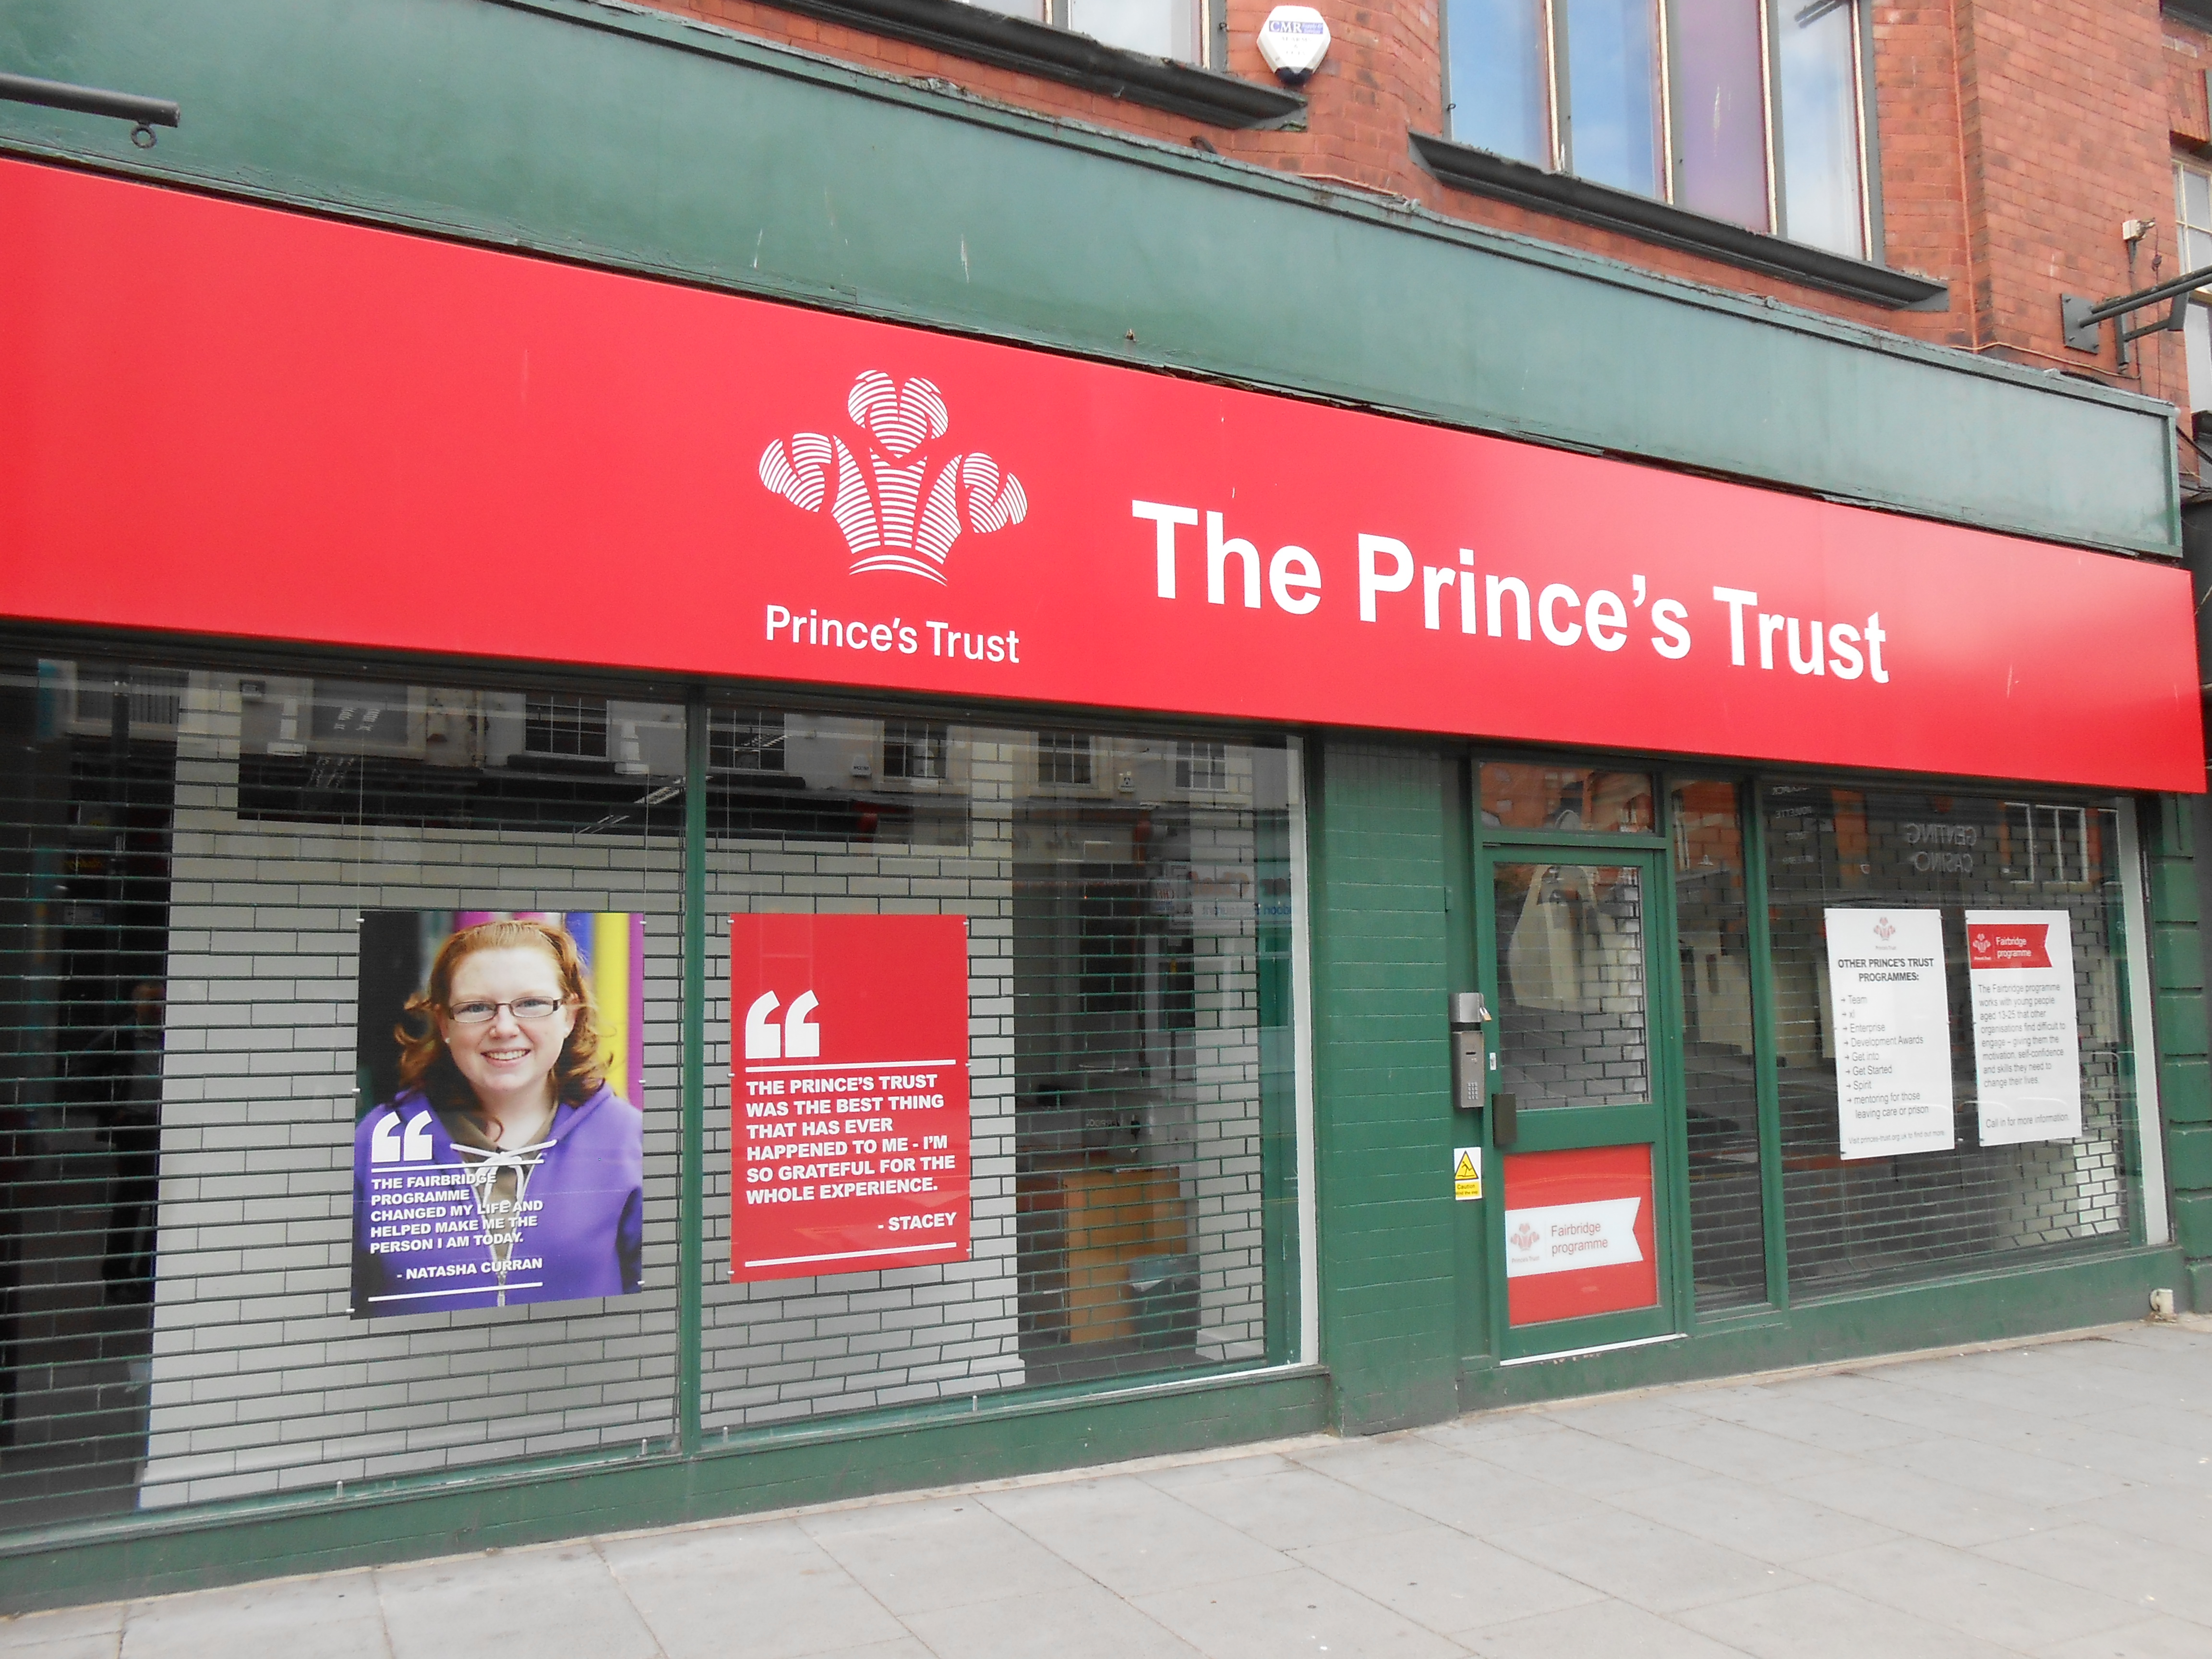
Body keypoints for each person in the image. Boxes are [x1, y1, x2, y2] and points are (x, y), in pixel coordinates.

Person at [351, 919, 642, 1315]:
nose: (504, 1028)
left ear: (570, 1015)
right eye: (476, 1008)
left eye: (532, 1004)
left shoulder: (627, 1141)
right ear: (444, 1023)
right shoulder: (379, 1142)